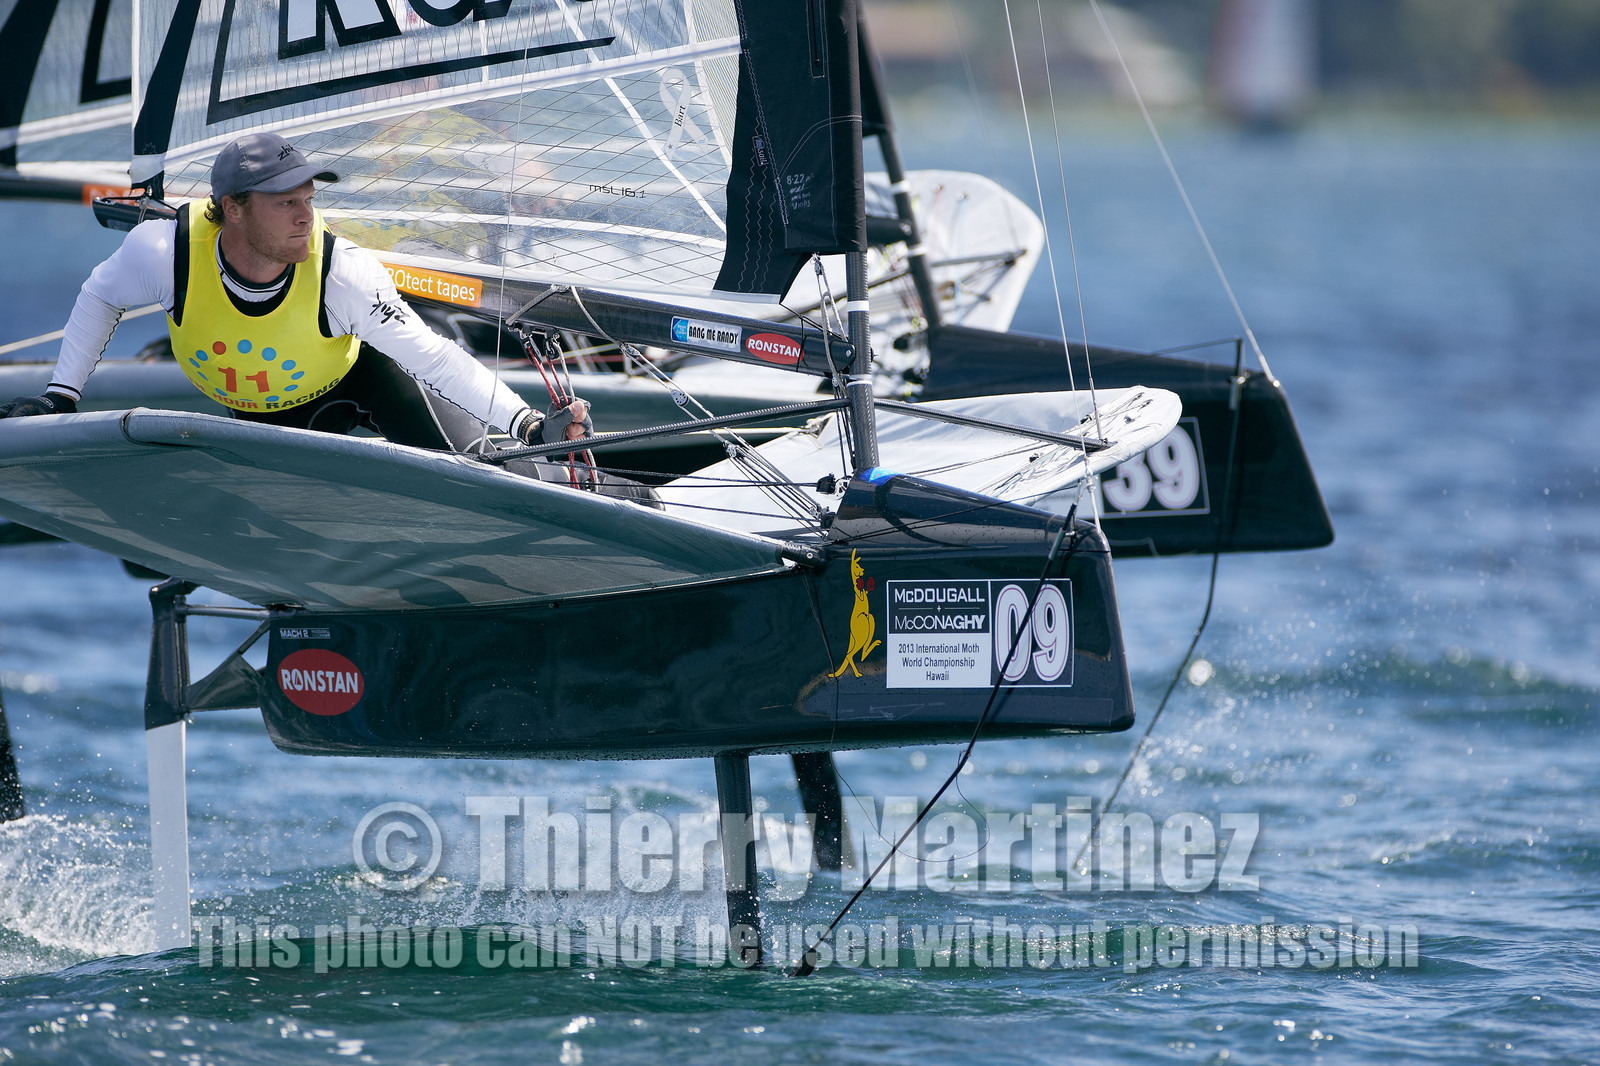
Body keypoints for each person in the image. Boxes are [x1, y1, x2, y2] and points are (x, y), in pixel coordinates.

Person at [0, 132, 593, 458]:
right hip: (264, 412)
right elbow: (98, 296)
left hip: (363, 385)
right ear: (232, 209)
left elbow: (432, 356)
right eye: (286, 202)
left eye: (309, 198)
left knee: (484, 466)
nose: (306, 216)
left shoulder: (342, 275)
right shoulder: (163, 254)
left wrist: (527, 423)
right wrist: (60, 397)